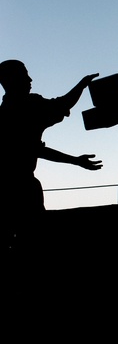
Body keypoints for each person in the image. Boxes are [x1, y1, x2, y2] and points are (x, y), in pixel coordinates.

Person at [0, 60, 102, 246]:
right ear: (11, 80)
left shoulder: (19, 108)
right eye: (24, 74)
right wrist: (75, 161)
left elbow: (60, 106)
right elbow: (61, 106)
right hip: (18, 189)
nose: (30, 79)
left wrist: (82, 84)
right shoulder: (23, 109)